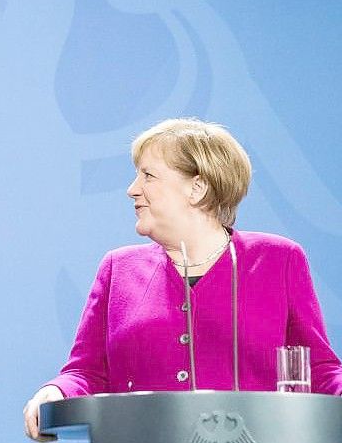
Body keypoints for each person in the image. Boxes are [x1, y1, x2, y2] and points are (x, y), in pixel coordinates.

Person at [23, 118, 342, 440]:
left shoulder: (278, 259)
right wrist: (56, 391)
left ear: (197, 188)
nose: (132, 190)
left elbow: (318, 369)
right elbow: (86, 371)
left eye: (148, 176)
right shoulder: (117, 268)